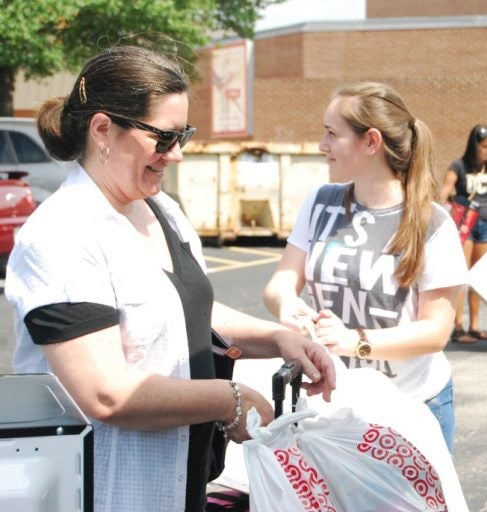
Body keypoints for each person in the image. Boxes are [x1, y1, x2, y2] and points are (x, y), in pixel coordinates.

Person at [4, 45, 335, 512]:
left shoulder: (163, 211)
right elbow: (107, 393)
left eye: (184, 135)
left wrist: (279, 338)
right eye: (163, 137)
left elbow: (185, 309)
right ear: (103, 129)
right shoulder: (61, 235)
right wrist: (231, 399)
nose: (177, 154)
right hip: (107, 490)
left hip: (183, 481)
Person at [263, 81, 468, 452]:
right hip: (333, 406)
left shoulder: (432, 223)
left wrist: (354, 342)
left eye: (331, 134)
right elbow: (281, 283)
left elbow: (436, 332)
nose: (322, 145)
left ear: (371, 141)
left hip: (412, 407)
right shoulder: (320, 202)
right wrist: (286, 306)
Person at [440, 124, 487, 343]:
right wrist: (457, 201)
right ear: (474, 145)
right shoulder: (459, 166)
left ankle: (475, 326)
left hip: (485, 225)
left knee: (478, 276)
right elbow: (444, 194)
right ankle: (457, 327)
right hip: (465, 225)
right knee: (462, 274)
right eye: (483, 146)